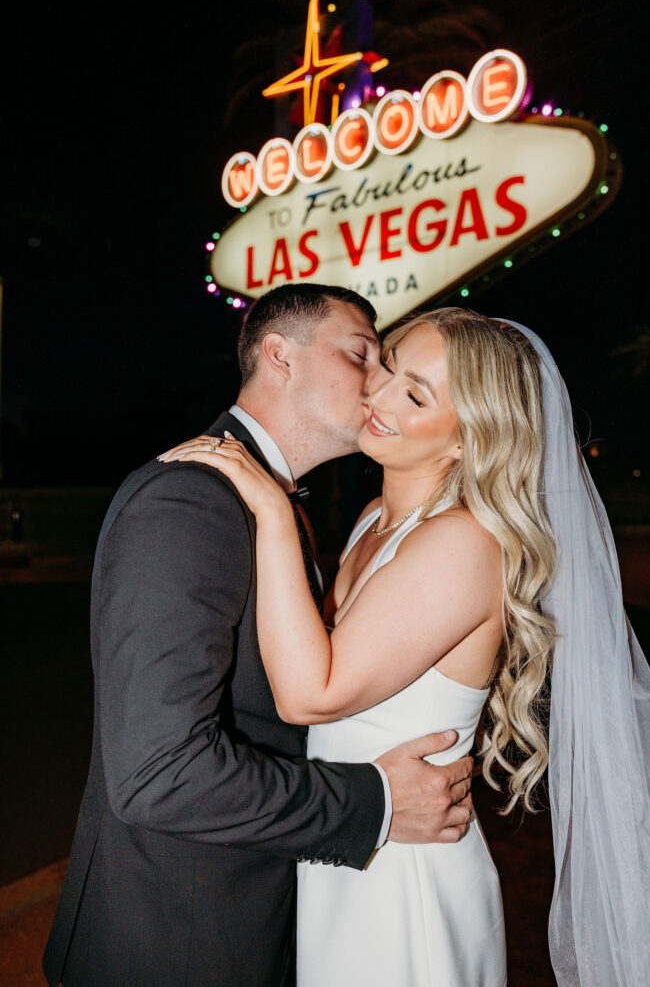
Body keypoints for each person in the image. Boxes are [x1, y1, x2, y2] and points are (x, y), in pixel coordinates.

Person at [163, 306, 650, 987]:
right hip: (347, 837)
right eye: (383, 367)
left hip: (402, 874)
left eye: (414, 395)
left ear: (469, 438)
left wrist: (267, 510)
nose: (376, 396)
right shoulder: (374, 519)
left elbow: (310, 694)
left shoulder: (462, 542)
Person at [42, 285, 476, 987]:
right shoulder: (191, 500)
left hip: (244, 923)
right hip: (175, 946)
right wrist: (376, 801)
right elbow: (159, 776)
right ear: (279, 354)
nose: (378, 383)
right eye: (362, 353)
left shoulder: (274, 505)